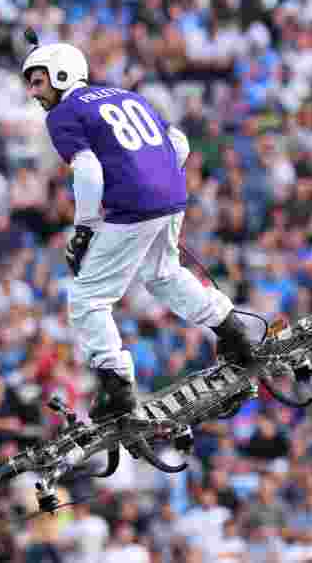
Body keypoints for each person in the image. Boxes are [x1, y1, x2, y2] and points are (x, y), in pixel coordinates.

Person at [21, 40, 256, 421]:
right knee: (163, 274)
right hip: (173, 193)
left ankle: (116, 385)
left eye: (38, 81)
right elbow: (178, 144)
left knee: (87, 297)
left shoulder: (63, 113)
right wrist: (156, 181)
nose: (34, 92)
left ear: (62, 73)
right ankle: (231, 329)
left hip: (135, 204)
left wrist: (84, 227)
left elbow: (87, 170)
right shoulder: (126, 95)